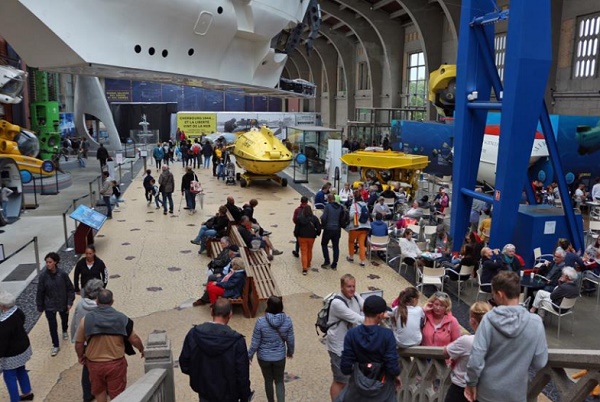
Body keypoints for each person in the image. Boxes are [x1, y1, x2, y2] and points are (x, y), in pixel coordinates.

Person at [465, 271, 548, 402]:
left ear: (499, 294)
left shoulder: (488, 320)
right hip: (517, 393)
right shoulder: (535, 322)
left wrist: (470, 383)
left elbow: (476, 360)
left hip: (487, 392)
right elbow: (540, 362)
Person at [75, 289, 144, 402]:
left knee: (99, 392)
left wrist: (80, 356)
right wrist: (141, 349)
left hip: (94, 364)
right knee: (117, 395)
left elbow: (79, 343)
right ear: (112, 302)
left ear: (97, 301)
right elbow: (134, 338)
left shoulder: (86, 320)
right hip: (115, 364)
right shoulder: (122, 319)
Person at [179, 298, 253, 402]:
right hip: (229, 394)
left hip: (205, 391)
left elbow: (184, 364)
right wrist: (245, 396)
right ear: (230, 314)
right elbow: (242, 374)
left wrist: (200, 376)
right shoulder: (237, 341)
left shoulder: (194, 334)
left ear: (211, 311)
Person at [338, 295, 400, 402]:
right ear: (380, 315)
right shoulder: (387, 335)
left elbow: (345, 367)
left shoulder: (352, 334)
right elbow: (392, 364)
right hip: (383, 389)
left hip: (357, 390)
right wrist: (397, 376)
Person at [248, 296, 295, 402]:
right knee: (279, 381)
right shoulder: (287, 320)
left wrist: (249, 355)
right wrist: (290, 352)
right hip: (279, 357)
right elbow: (290, 339)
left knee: (268, 380)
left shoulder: (260, 322)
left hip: (264, 358)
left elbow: (255, 342)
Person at [442, 301, 491, 402]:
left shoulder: (466, 341)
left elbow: (446, 351)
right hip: (484, 391)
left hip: (460, 388)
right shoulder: (497, 343)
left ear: (472, 321)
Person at [327, 274, 364, 401]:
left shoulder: (356, 296)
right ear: (342, 287)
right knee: (340, 380)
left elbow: (366, 307)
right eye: (349, 287)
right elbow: (356, 318)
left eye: (353, 286)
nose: (352, 289)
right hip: (338, 347)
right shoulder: (337, 303)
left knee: (345, 378)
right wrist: (376, 317)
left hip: (350, 346)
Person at [70, 279, 104, 402]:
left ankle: (87, 395)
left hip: (83, 342)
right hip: (98, 342)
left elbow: (74, 323)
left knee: (87, 369)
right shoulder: (101, 308)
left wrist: (75, 338)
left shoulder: (80, 305)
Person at [36, 252, 75, 356]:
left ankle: (64, 330)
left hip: (62, 302)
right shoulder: (43, 276)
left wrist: (69, 302)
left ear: (55, 262)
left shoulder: (62, 274)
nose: (47, 264)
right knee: (52, 325)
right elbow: (40, 292)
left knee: (64, 318)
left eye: (50, 262)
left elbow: (70, 289)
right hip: (49, 305)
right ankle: (56, 345)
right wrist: (40, 307)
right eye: (46, 262)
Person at [0, 291, 34, 402]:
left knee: (9, 377)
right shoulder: (18, 312)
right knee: (21, 370)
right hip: (23, 348)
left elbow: (2, 344)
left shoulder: (3, 324)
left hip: (11, 355)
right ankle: (27, 392)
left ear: (3, 307)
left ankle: (15, 399)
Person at [294, 205, 322, 275]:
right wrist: (317, 233)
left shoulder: (300, 218)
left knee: (304, 252)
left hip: (302, 237)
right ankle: (308, 264)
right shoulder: (314, 218)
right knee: (309, 250)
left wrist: (296, 235)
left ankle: (304, 268)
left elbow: (297, 228)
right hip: (311, 237)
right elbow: (319, 227)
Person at [321, 194, 344, 270]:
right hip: (337, 229)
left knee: (324, 244)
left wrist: (322, 224)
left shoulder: (327, 207)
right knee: (336, 246)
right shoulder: (340, 207)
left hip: (328, 228)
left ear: (328, 199)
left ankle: (327, 261)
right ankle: (334, 264)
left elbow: (324, 218)